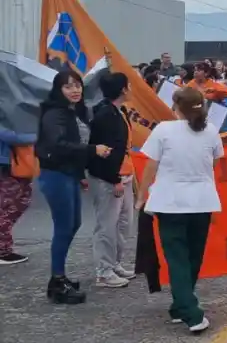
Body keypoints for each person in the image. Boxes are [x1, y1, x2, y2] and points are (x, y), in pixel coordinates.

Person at [135, 87, 224, 333]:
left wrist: (142, 196)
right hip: (202, 201)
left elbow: (151, 166)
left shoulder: (163, 130)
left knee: (177, 257)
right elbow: (214, 163)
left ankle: (190, 312)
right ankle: (181, 305)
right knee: (193, 256)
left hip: (170, 201)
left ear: (177, 108)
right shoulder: (211, 131)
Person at [36, 70, 113, 304]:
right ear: (59, 90)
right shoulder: (54, 113)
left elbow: (74, 142)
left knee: (74, 223)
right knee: (63, 227)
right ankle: (57, 281)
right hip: (56, 175)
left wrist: (80, 174)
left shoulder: (74, 111)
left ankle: (58, 277)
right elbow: (58, 144)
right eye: (68, 86)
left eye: (77, 85)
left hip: (69, 174)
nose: (75, 90)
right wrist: (93, 150)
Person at [87, 72, 136, 288]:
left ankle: (115, 263)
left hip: (124, 174)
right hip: (110, 178)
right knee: (107, 225)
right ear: (123, 89)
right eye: (129, 85)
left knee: (124, 223)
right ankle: (104, 271)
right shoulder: (106, 115)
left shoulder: (119, 111)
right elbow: (106, 151)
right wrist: (114, 178)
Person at [0, 118, 37, 265]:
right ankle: (2, 251)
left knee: (21, 201)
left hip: (18, 164)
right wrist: (36, 135)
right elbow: (12, 137)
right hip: (6, 166)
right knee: (7, 206)